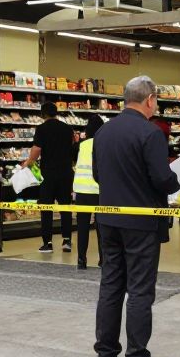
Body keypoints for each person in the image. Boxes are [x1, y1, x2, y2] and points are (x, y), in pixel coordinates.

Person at [92, 76, 180, 357]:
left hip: (107, 219)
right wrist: (176, 179)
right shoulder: (150, 133)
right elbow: (161, 178)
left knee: (111, 285)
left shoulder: (103, 132)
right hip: (141, 222)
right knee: (141, 290)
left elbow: (97, 175)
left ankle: (105, 355)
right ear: (150, 100)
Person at [21, 102, 77, 253]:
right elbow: (72, 148)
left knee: (46, 208)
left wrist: (28, 163)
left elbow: (36, 150)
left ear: (42, 114)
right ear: (56, 113)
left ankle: (48, 243)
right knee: (65, 207)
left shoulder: (42, 129)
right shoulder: (67, 128)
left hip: (48, 174)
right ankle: (67, 241)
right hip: (66, 173)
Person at [72, 114, 105, 270]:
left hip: (81, 190)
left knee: (82, 227)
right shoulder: (104, 143)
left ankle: (81, 260)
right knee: (101, 227)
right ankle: (103, 259)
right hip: (99, 191)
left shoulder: (82, 145)